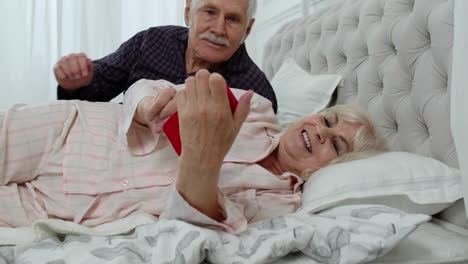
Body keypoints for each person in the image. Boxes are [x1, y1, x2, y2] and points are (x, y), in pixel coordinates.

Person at [0, 71, 387, 233]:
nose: (320, 131)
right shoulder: (256, 110)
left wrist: (205, 157)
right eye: (328, 120)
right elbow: (148, 86)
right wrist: (152, 103)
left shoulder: (283, 205)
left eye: (336, 144)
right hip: (74, 132)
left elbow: (196, 221)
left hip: (65, 208)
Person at [54, 0, 278, 113]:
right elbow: (95, 89)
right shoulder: (152, 41)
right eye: (210, 12)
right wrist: (76, 82)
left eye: (232, 19)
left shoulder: (257, 95)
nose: (218, 29)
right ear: (188, 12)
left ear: (247, 30)